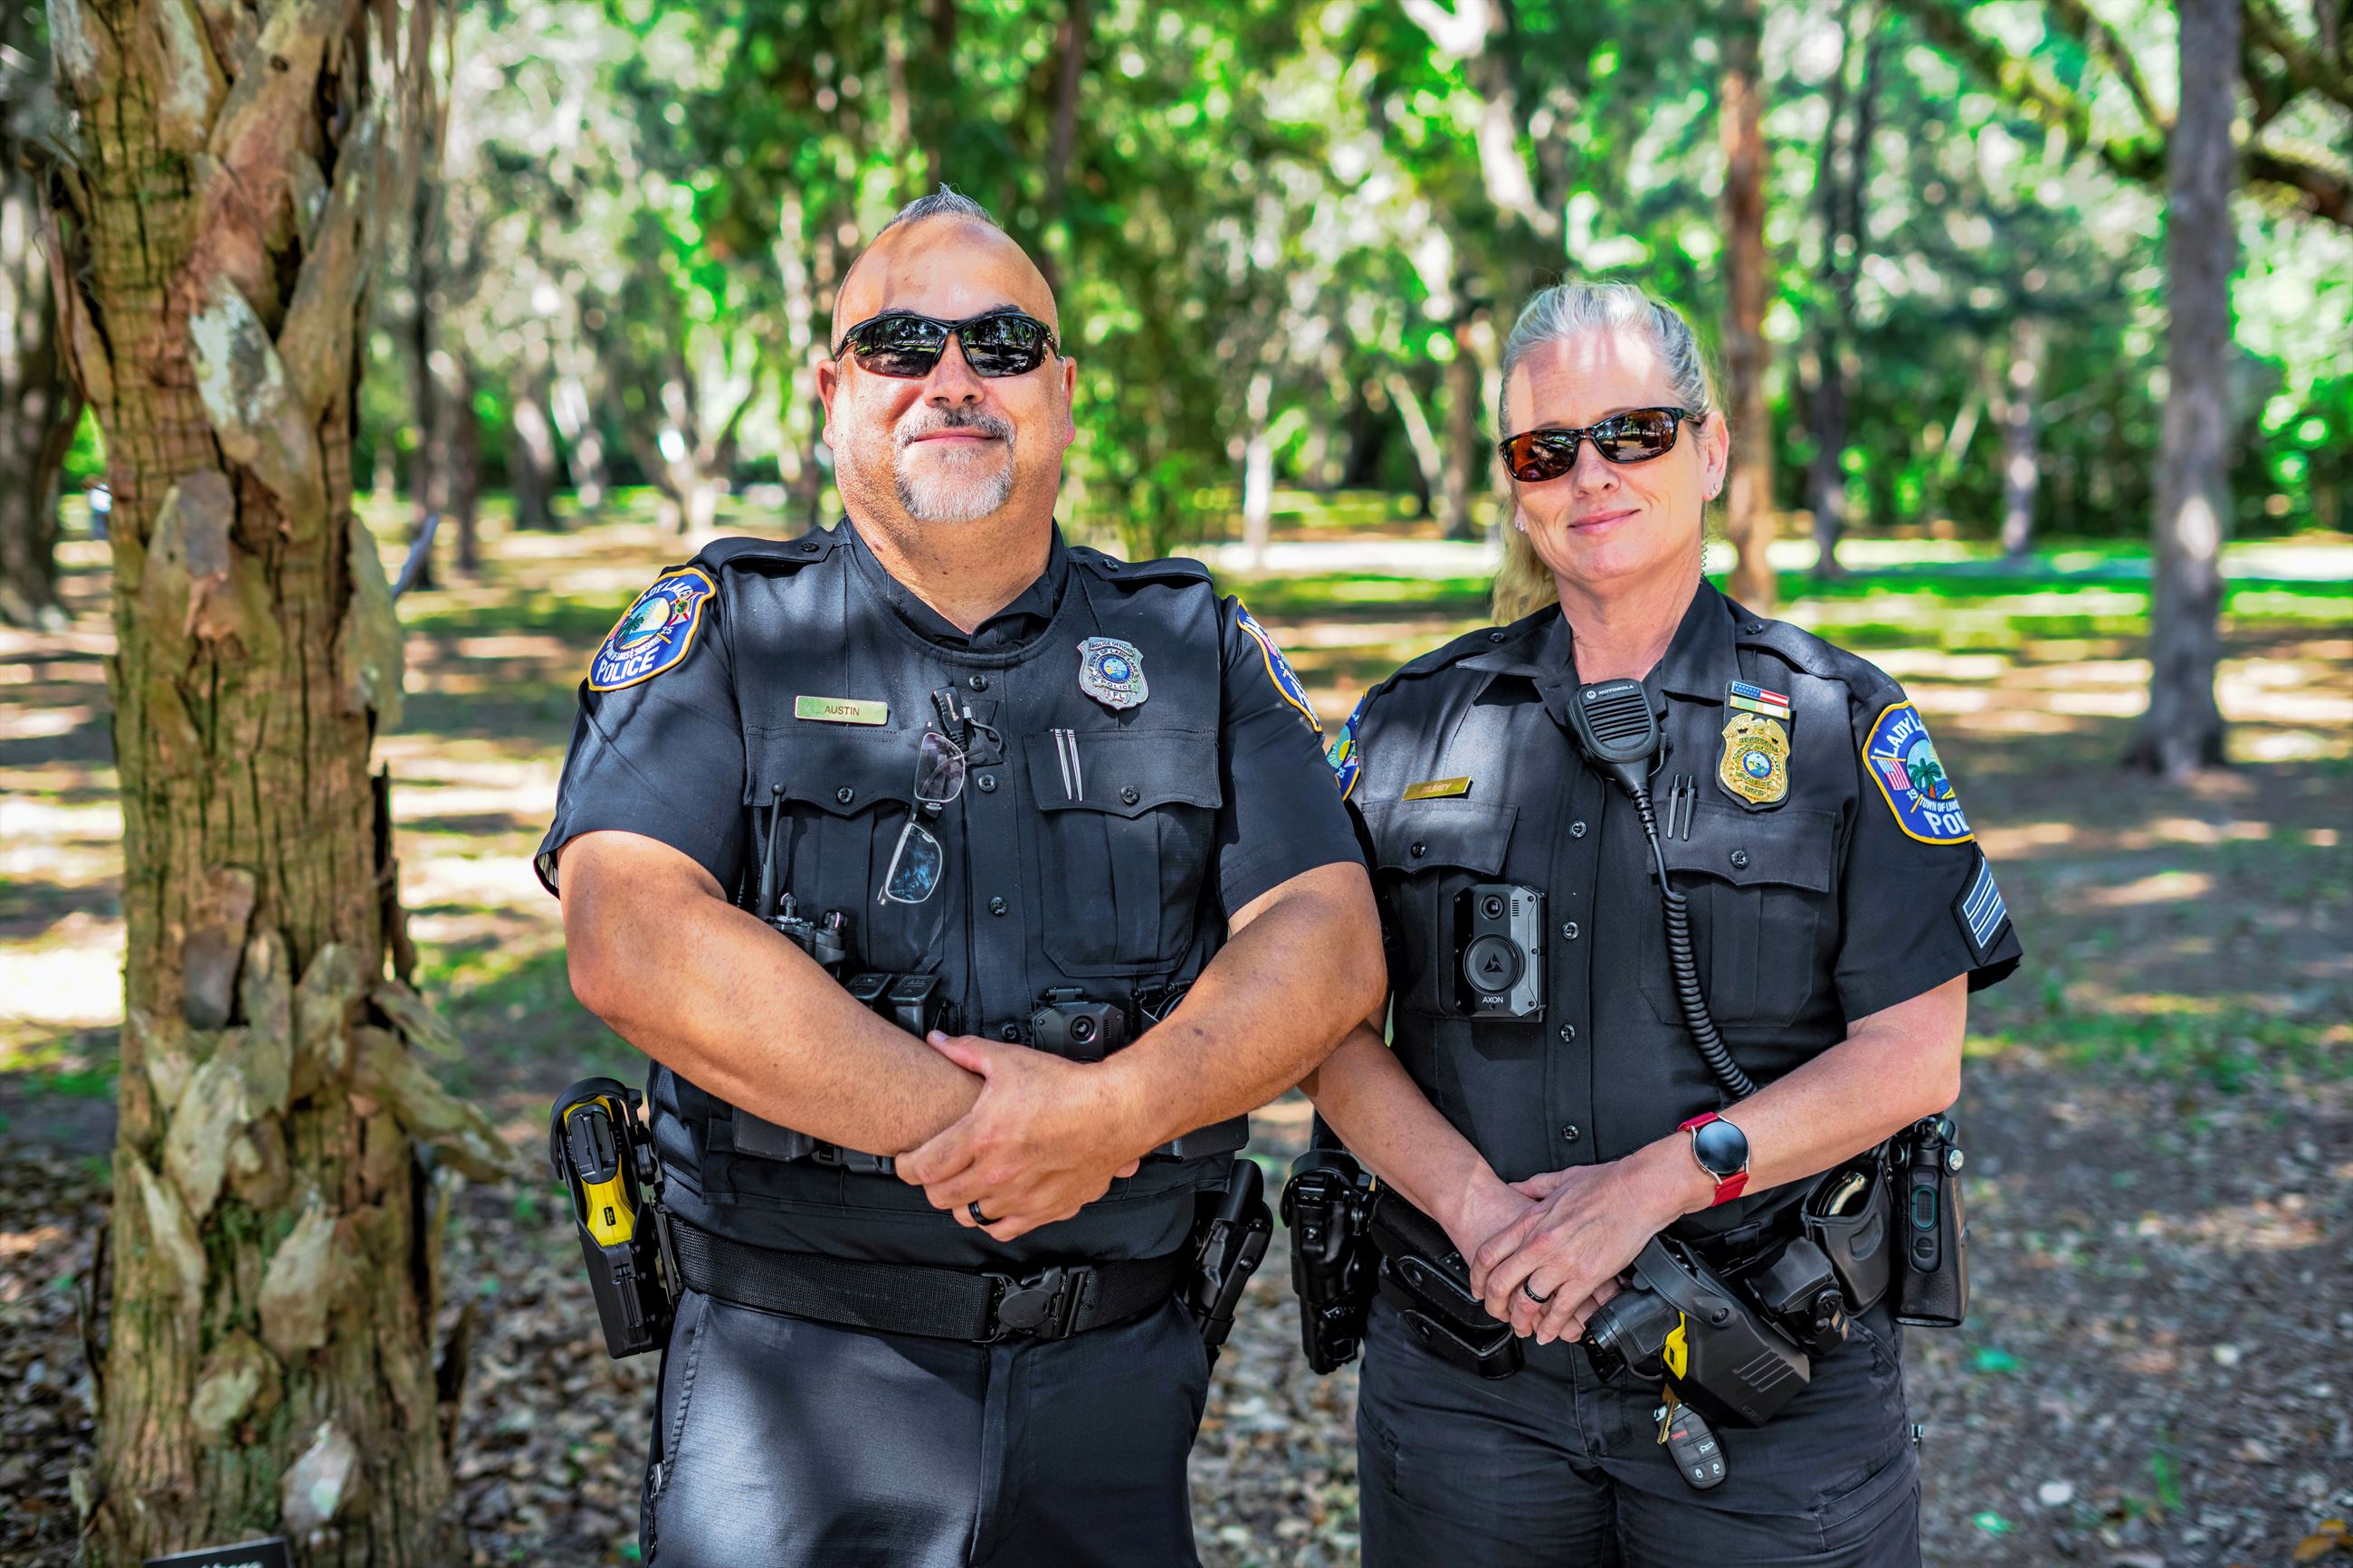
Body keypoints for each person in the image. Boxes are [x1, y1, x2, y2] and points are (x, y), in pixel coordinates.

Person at [538, 189, 1382, 1568]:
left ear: (1061, 391)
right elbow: (628, 936)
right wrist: (993, 1132)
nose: (951, 377)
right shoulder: (731, 631)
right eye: (898, 344)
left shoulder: (1192, 645)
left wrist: (1114, 1110)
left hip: (1112, 1393)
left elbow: (1330, 942)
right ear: (831, 390)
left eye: (998, 342)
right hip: (795, 1395)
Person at [1301, 280, 2023, 1566]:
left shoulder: (1835, 724)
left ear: (1713, 448)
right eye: (1548, 447)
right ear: (1517, 485)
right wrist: (1479, 1213)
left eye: (1633, 431)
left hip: (1766, 1390)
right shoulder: (1410, 725)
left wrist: (1645, 1188)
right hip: (1470, 1380)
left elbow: (1914, 1055)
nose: (1592, 473)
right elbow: (1329, 1032)